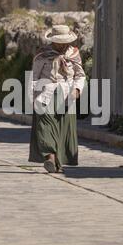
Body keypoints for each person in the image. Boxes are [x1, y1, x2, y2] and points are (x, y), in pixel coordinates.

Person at [29, 25, 86, 173]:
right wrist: (33, 96)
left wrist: (77, 89)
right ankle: (50, 157)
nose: (61, 45)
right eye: (58, 42)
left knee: (62, 129)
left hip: (67, 94)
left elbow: (80, 75)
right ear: (52, 41)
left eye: (63, 42)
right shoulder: (42, 55)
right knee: (45, 125)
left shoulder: (74, 54)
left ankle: (57, 162)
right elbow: (34, 76)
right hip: (45, 93)